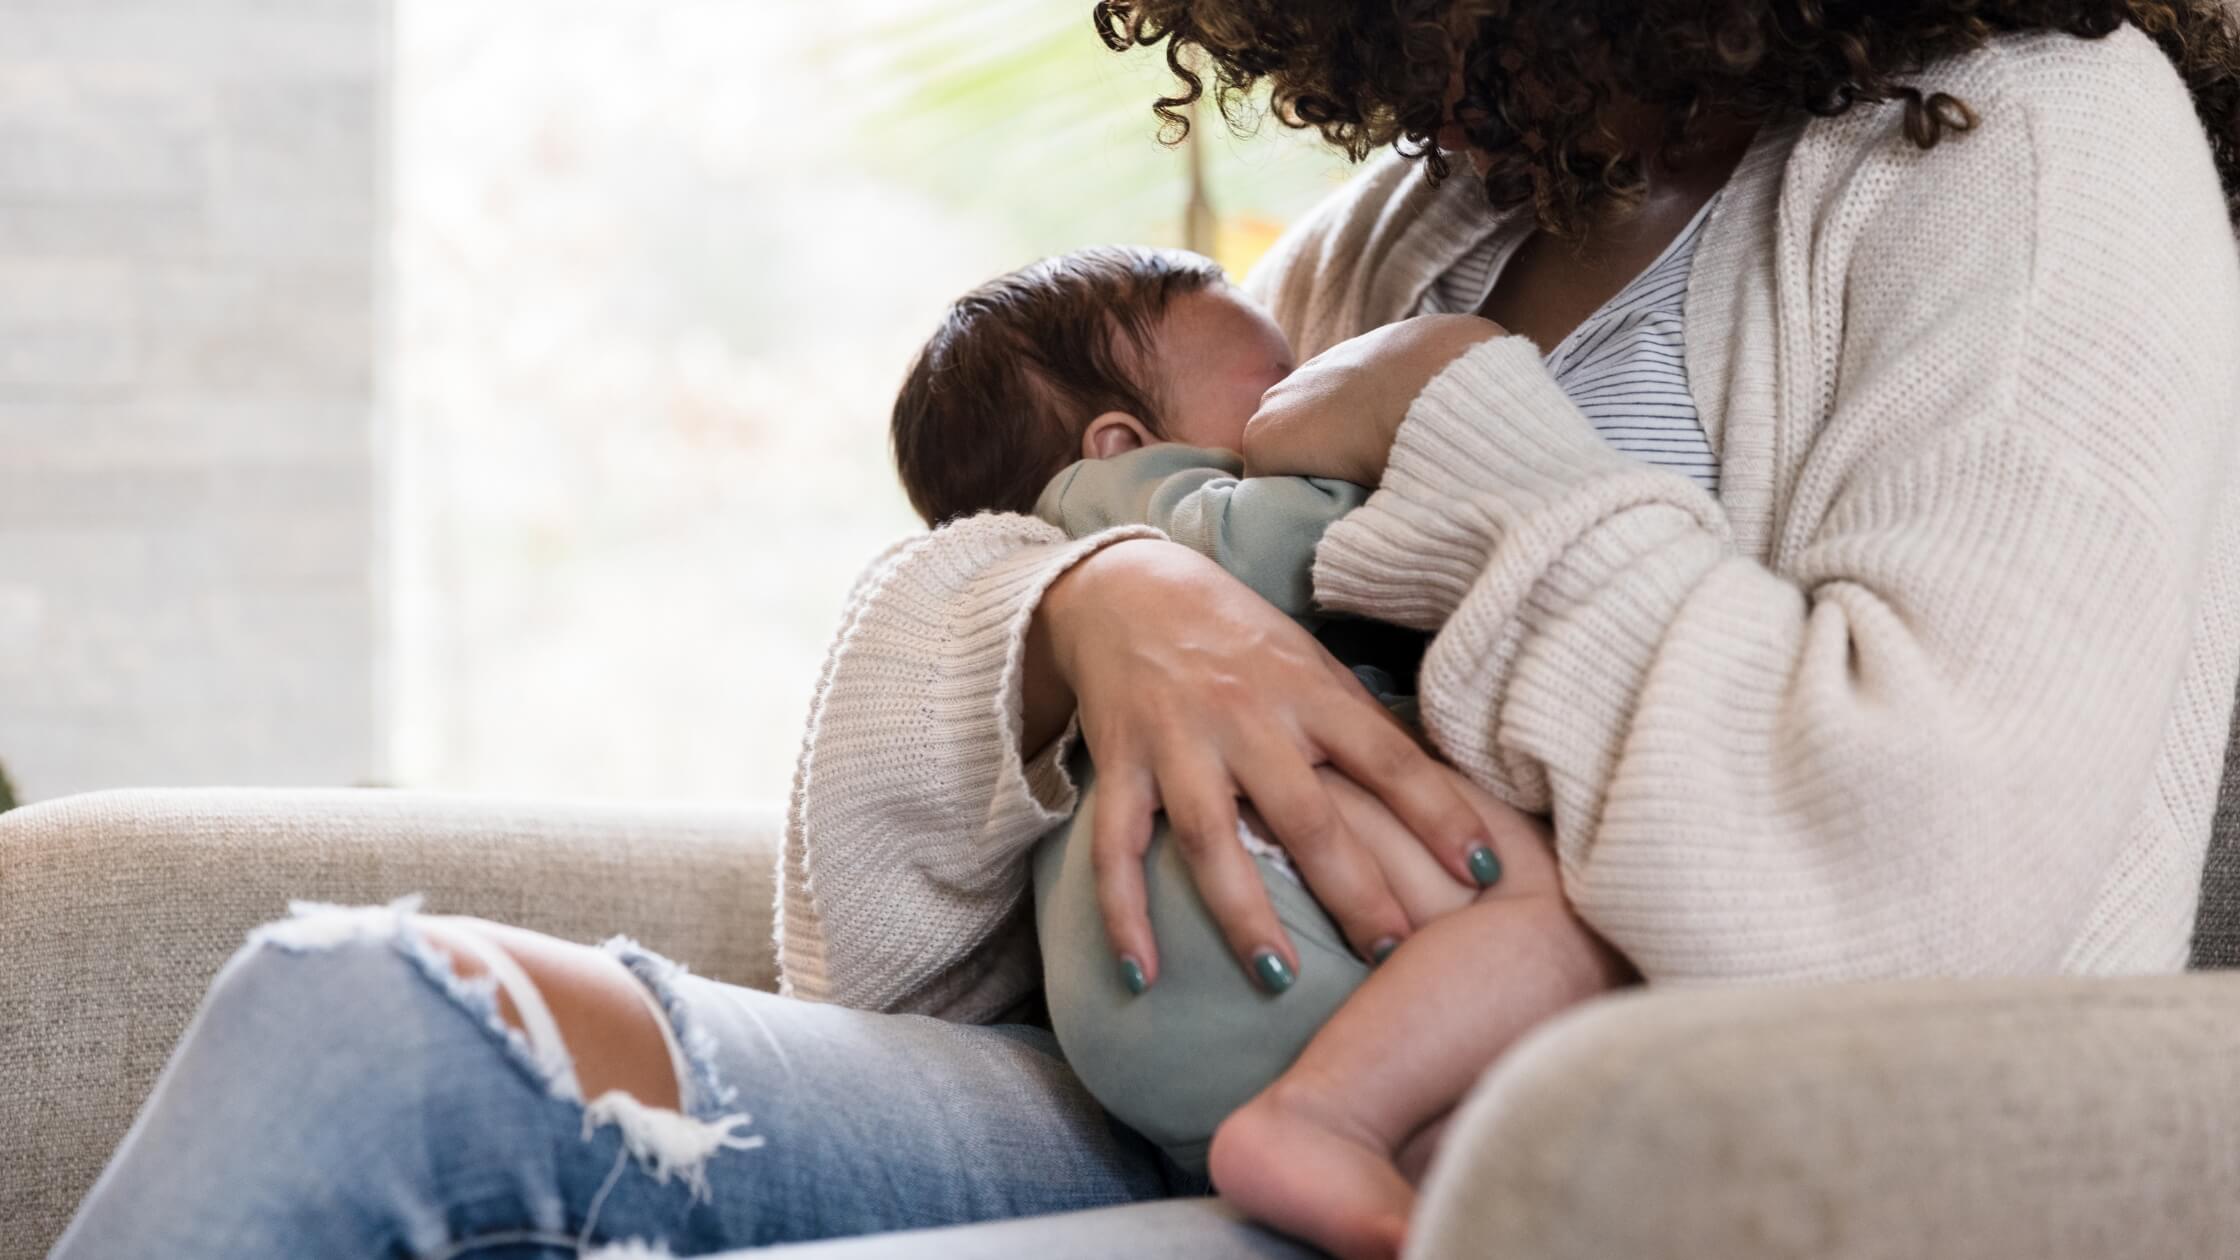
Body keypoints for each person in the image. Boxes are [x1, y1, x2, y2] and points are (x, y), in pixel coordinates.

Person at [49, 4, 2240, 1258]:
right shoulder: (1433, 216)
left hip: (1536, 1173)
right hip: (1172, 1099)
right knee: (363, 1018)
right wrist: (1096, 599)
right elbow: (879, 943)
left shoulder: (2029, 151)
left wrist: (1472, 450)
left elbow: (1923, 898)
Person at [888, 242, 1645, 1258]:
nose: (1297, 407)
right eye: (1280, 386)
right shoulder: (1133, 508)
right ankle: (1318, 1119)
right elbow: (1307, 541)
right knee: (1569, 917)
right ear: (1119, 443)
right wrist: (1415, 410)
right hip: (1229, 916)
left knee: (1469, 1160)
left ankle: (1352, 1149)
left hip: (1136, 1006)